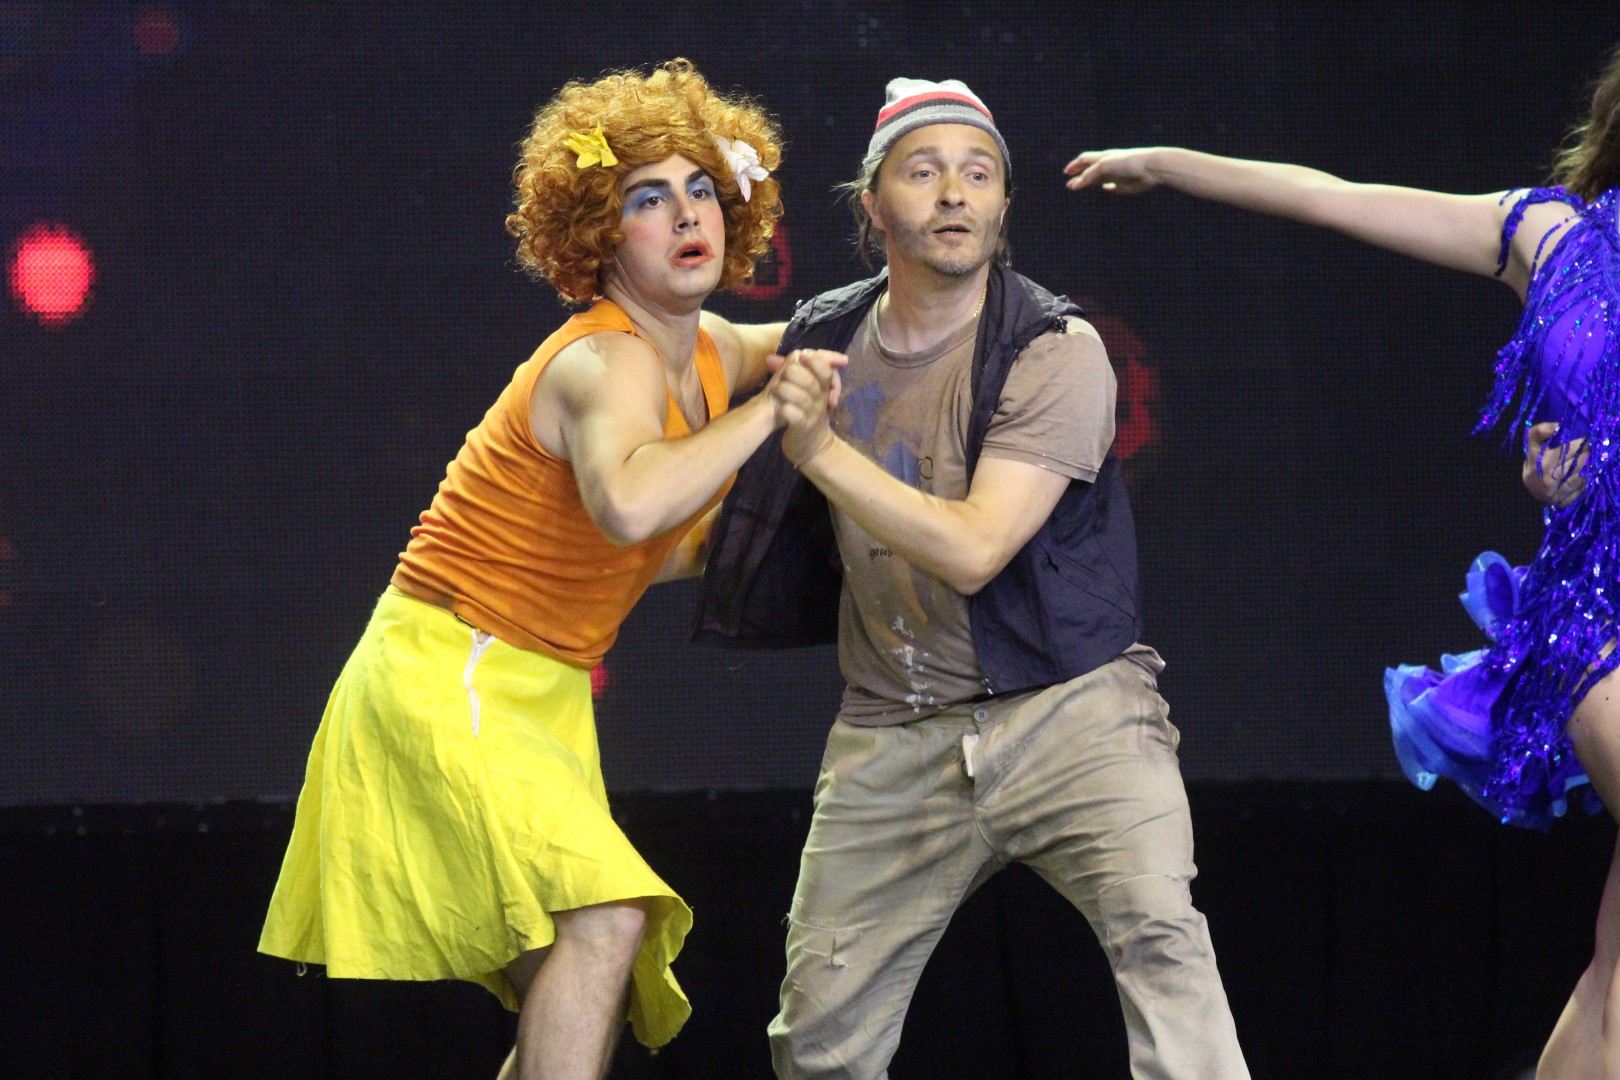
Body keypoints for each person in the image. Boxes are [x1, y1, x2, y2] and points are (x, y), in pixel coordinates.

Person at [1064, 43, 1620, 1077]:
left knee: (1611, 966)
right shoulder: (1552, 236)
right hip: (1597, 625)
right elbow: (1336, 197)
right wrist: (1169, 162)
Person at [695, 77, 1250, 1079]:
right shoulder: (825, 338)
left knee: (1163, 948)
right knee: (818, 1043)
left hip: (1070, 714)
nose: (954, 193)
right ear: (873, 207)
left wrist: (817, 452)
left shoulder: (1056, 349)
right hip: (894, 728)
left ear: (1001, 205)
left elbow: (975, 548)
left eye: (978, 174)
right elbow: (684, 350)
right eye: (924, 172)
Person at [258, 59, 791, 1080]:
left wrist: (939, 279)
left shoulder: (712, 349)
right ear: (599, 235)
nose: (687, 213)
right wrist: (778, 415)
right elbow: (630, 502)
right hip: (448, 670)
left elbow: (825, 343)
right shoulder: (605, 360)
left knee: (582, 977)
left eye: (700, 189)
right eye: (647, 198)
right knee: (605, 921)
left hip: (542, 690)